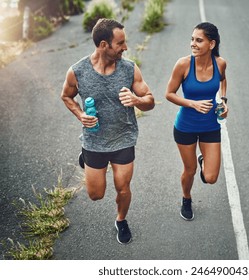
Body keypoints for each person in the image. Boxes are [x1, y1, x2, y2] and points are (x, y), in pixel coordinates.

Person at [61, 18, 155, 244]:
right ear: (104, 45)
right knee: (96, 195)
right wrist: (80, 114)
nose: (125, 47)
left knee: (123, 188)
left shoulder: (129, 68)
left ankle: (121, 220)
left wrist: (135, 100)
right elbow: (66, 96)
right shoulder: (78, 71)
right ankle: (85, 157)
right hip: (94, 141)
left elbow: (150, 100)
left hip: (123, 138)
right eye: (120, 43)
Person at [165, 22, 228, 221]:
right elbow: (169, 94)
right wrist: (192, 104)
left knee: (210, 178)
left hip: (210, 125)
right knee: (190, 170)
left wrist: (223, 101)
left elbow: (223, 80)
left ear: (211, 44)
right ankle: (186, 198)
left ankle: (204, 160)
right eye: (192, 39)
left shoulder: (220, 64)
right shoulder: (183, 65)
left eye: (199, 40)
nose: (193, 44)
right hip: (186, 127)